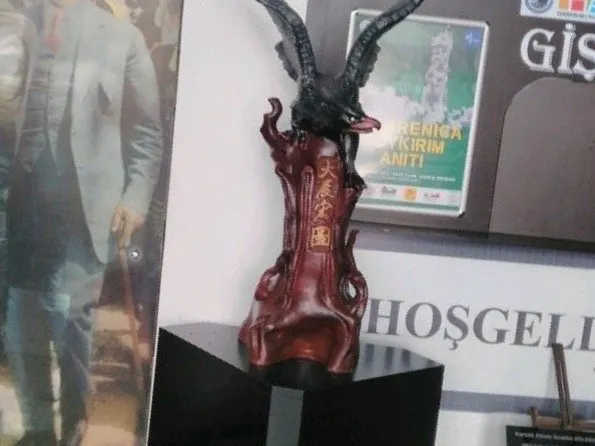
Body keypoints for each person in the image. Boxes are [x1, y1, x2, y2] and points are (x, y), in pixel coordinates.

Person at [0, 0, 163, 444]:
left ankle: (75, 421)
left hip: (85, 211)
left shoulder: (122, 38)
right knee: (19, 321)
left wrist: (134, 198)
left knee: (70, 317)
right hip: (18, 204)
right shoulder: (12, 23)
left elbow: (147, 132)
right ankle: (37, 429)